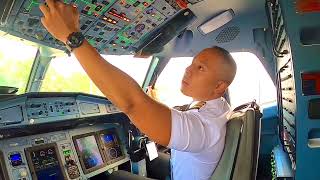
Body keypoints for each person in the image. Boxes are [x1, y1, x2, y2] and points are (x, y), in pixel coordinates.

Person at [39, 1, 237, 179]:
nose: (188, 69)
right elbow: (184, 120)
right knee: (147, 157)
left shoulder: (205, 128)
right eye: (192, 63)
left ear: (220, 86)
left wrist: (71, 36)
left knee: (116, 177)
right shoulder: (218, 108)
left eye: (200, 67)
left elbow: (131, 103)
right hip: (179, 168)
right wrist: (156, 107)